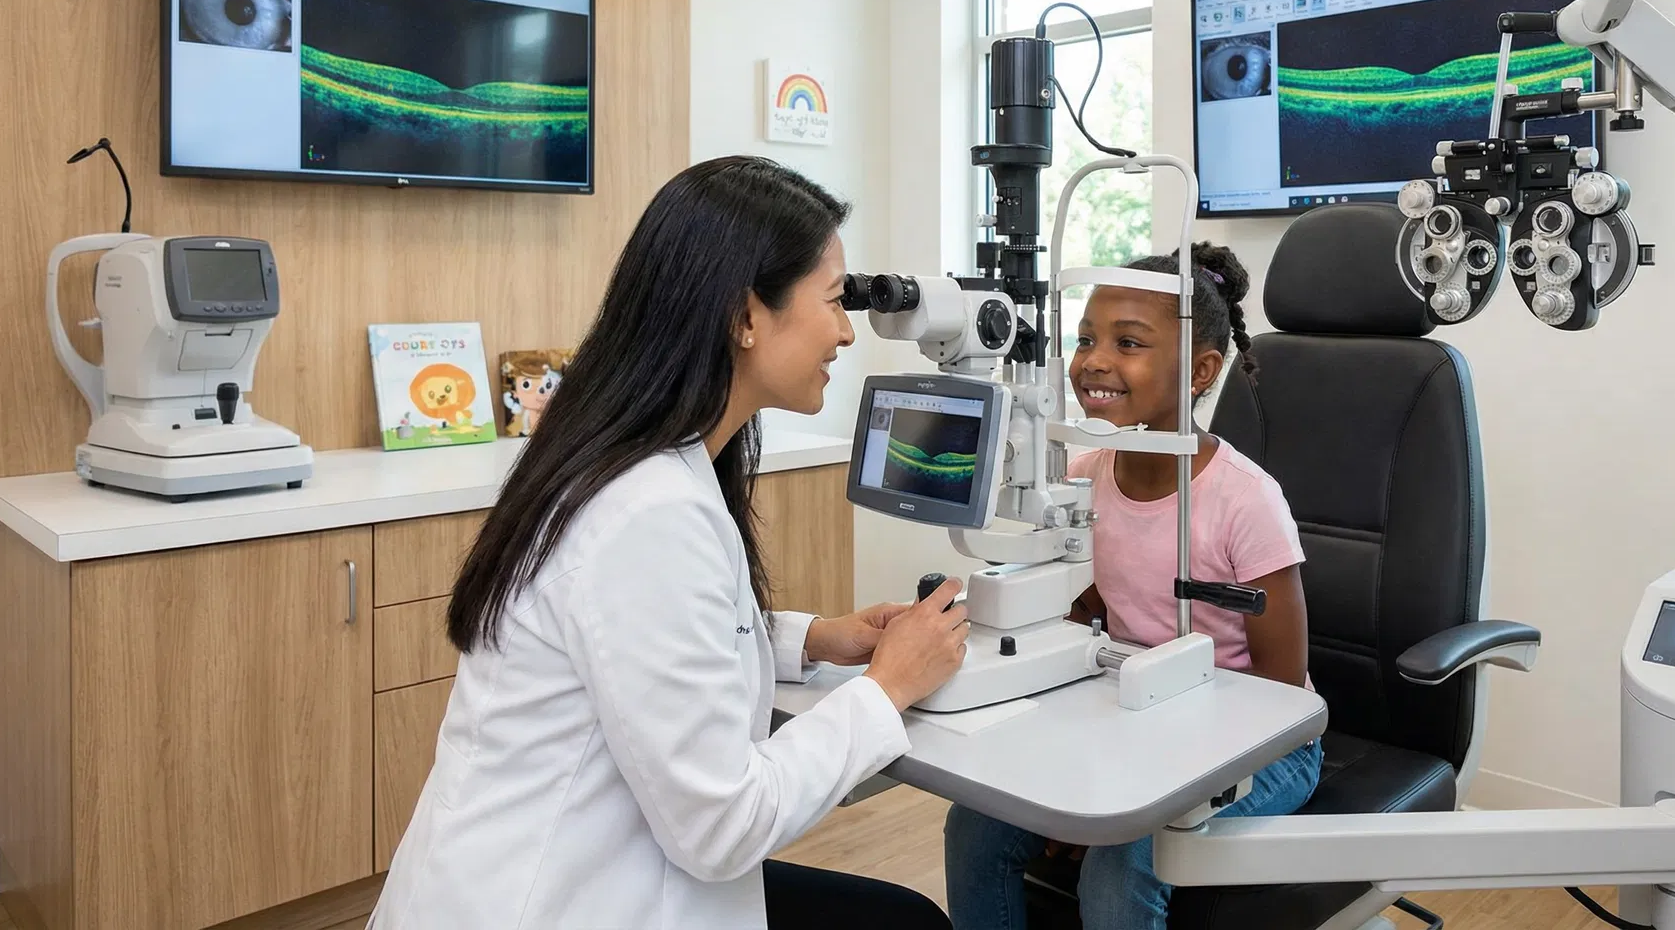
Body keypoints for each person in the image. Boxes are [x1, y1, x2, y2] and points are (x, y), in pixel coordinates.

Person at [371, 156, 968, 929]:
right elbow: (725, 828)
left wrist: (813, 640)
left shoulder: (635, 457)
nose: (847, 330)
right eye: (831, 300)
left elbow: (639, 641)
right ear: (744, 316)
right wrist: (888, 687)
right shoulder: (646, 513)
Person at [943, 243, 1322, 930]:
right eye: (1087, 339)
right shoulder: (1088, 476)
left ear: (1202, 371)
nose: (1095, 359)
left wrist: (1117, 796)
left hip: (1263, 746)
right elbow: (1091, 605)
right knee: (975, 825)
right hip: (1135, 718)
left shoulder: (1246, 502)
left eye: (1128, 343)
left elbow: (1281, 694)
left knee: (1119, 867)